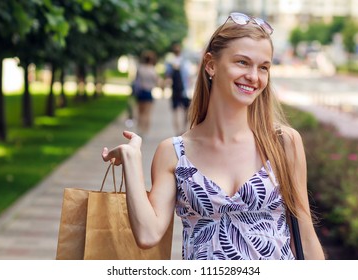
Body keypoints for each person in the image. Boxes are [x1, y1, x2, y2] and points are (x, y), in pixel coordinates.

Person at [102, 12, 325, 260]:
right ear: (210, 65)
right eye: (242, 62)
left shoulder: (284, 143)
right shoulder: (174, 153)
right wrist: (132, 161)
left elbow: (305, 236)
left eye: (263, 67)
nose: (254, 76)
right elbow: (147, 235)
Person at [164, 43, 191, 135]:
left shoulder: (170, 63)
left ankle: (178, 130)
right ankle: (182, 129)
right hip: (183, 90)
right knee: (185, 111)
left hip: (176, 90)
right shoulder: (184, 62)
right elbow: (188, 77)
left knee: (176, 112)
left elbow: (167, 77)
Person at [132, 50, 159, 137]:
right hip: (148, 93)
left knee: (140, 112)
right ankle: (145, 131)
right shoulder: (152, 70)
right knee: (147, 113)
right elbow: (156, 81)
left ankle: (139, 129)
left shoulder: (140, 69)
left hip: (140, 93)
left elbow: (136, 81)